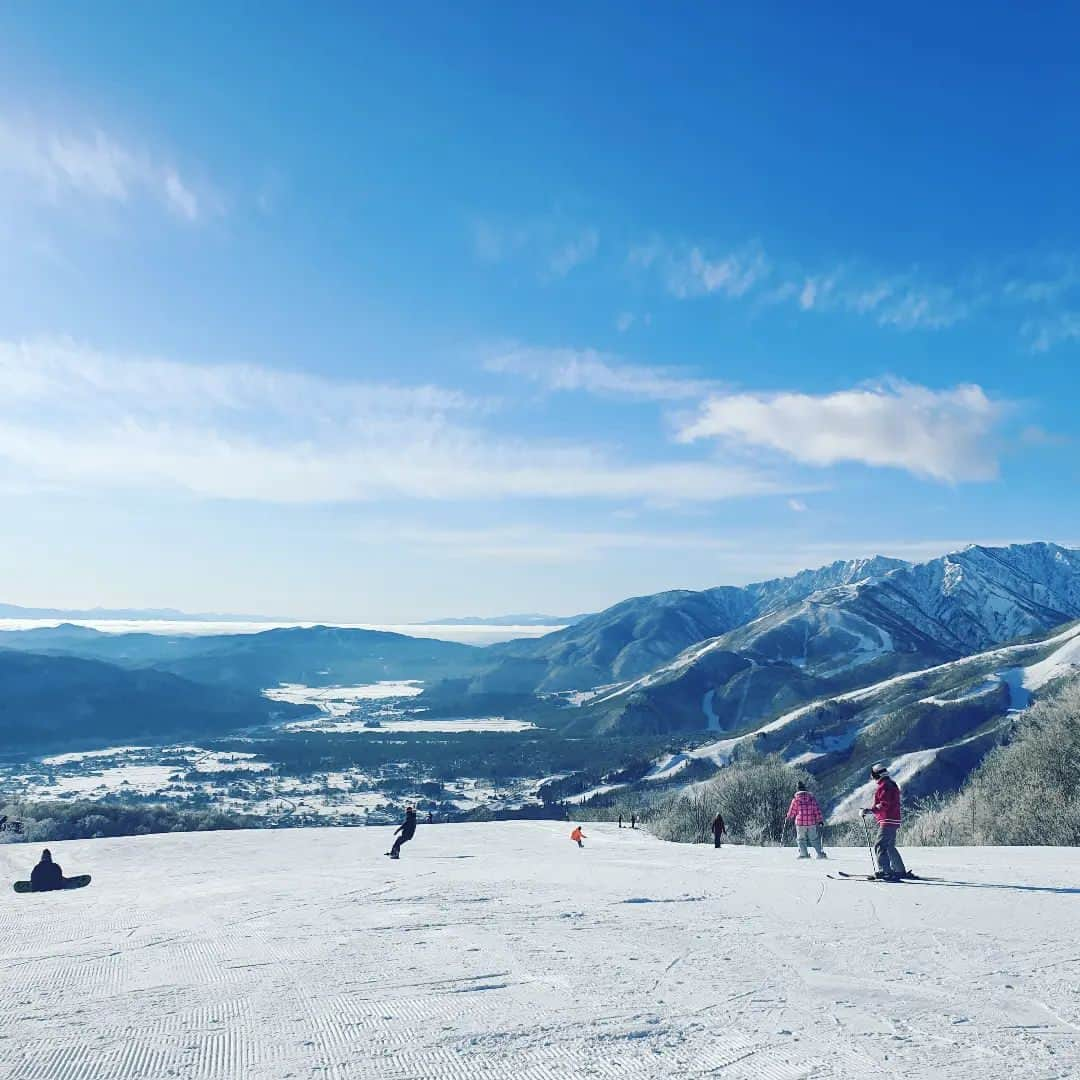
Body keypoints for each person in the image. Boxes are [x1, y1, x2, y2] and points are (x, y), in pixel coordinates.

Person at [862, 763, 908, 880]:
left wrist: (869, 811)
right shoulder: (891, 784)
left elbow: (884, 804)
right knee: (889, 846)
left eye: (873, 775)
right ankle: (899, 870)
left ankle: (885, 871)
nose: (872, 778)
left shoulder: (884, 786)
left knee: (879, 845)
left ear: (878, 775)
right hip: (894, 819)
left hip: (887, 819)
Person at [787, 782, 827, 859]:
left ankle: (804, 854)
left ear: (797, 790)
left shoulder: (795, 800)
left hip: (800, 823)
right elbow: (817, 811)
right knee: (814, 839)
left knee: (801, 839)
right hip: (811, 823)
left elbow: (792, 811)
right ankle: (820, 853)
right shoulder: (811, 799)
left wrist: (788, 817)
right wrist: (820, 821)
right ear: (805, 789)